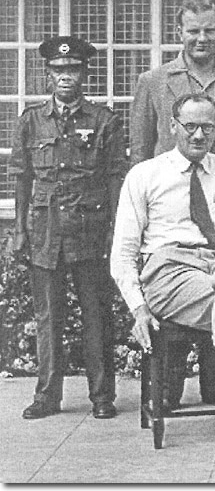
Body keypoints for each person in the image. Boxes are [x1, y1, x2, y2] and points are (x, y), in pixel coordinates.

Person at [110, 92, 215, 474]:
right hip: (168, 271)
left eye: (207, 126)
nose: (199, 134)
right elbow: (122, 253)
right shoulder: (145, 175)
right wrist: (138, 308)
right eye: (190, 126)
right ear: (173, 126)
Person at [130, 0, 215, 407]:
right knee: (167, 397)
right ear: (179, 33)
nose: (201, 38)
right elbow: (139, 152)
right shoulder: (153, 82)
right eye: (193, 30)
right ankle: (174, 389)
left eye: (209, 29)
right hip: (170, 215)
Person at [11, 35, 126, 420]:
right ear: (48, 74)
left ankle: (102, 397)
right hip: (45, 231)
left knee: (96, 315)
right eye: (59, 70)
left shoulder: (104, 121)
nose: (65, 77)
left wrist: (114, 229)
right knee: (49, 317)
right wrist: (20, 231)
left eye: (73, 69)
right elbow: (22, 178)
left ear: (84, 73)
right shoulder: (30, 121)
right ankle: (47, 396)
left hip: (89, 231)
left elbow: (114, 178)